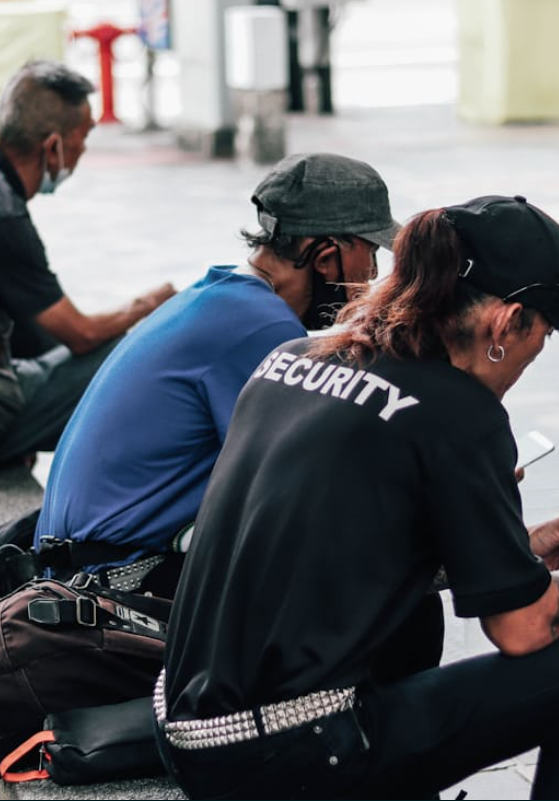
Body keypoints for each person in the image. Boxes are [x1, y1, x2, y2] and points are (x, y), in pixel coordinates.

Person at [156, 194, 559, 801]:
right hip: (286, 757)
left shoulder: (292, 357)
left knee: (417, 613)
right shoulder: (460, 413)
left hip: (184, 731)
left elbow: (344, 554)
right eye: (545, 334)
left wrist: (521, 551)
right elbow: (522, 631)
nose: (538, 354)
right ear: (505, 323)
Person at [34, 152, 400, 596]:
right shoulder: (262, 327)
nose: (373, 276)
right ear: (325, 254)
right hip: (118, 579)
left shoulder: (222, 296)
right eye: (371, 252)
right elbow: (297, 483)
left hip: (82, 560)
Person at [0, 59, 175, 464]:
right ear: (54, 146)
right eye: (85, 135)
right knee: (134, 347)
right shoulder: (6, 215)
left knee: (44, 334)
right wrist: (150, 305)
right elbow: (80, 333)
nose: (84, 149)